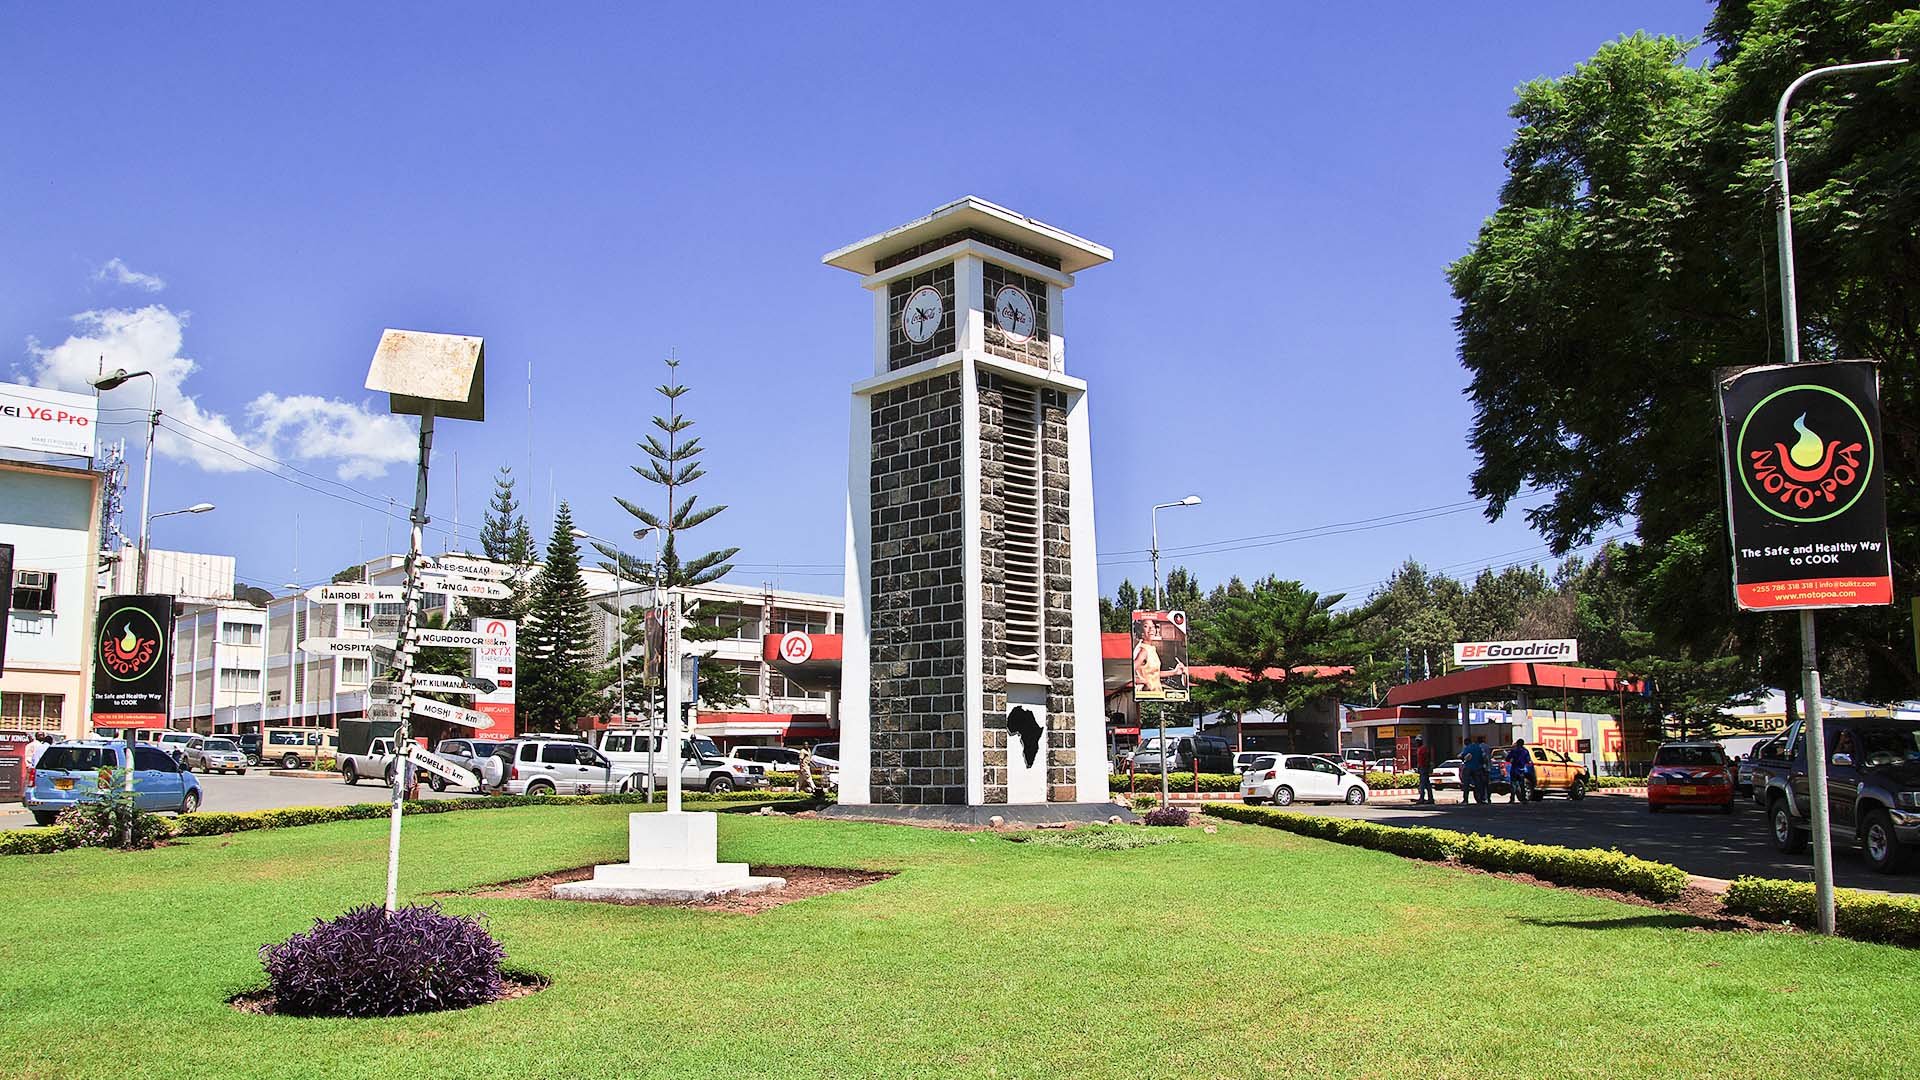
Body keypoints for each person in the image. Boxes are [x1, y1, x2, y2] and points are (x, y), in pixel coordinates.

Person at [1459, 736, 1488, 804]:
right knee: (1478, 784)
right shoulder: (1478, 747)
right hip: (1478, 768)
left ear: (1466, 743)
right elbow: (1483, 757)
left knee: (1466, 784)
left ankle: (1465, 800)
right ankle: (1480, 799)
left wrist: (1463, 758)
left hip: (1468, 767)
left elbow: (1462, 756)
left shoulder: (1467, 748)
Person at [1507, 738, 1534, 804]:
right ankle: (1523, 798)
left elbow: (1507, 758)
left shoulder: (1514, 751)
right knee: (1522, 785)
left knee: (1513, 784)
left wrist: (1512, 761)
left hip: (1514, 769)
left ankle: (1512, 799)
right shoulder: (1525, 751)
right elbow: (1528, 760)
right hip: (1521, 770)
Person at [1413, 736, 1435, 804]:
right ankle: (1430, 798)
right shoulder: (1419, 749)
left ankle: (1422, 798)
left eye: (1418, 741)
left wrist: (1426, 766)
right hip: (1421, 767)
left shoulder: (1423, 749)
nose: (1417, 743)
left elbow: (1426, 758)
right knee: (1427, 784)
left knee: (1422, 784)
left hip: (1424, 768)